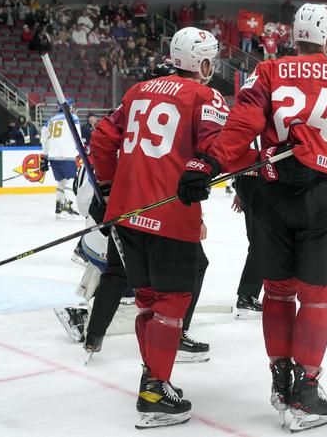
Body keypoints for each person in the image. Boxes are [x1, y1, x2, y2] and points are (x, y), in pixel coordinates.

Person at [175, 3, 327, 432]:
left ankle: (280, 378)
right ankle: (306, 391)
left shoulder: (268, 71)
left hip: (272, 192)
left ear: (295, 37)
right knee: (315, 297)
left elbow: (241, 124)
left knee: (276, 293)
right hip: (323, 195)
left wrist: (207, 163)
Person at [89, 27, 227, 429]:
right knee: (171, 303)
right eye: (210, 60)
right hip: (170, 213)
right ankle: (154, 389)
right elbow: (217, 146)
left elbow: (102, 137)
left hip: (127, 214)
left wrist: (110, 185)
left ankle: (152, 372)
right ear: (201, 63)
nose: (212, 67)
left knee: (148, 300)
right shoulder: (206, 96)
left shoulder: (137, 91)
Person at [231, 150, 263, 318]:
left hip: (248, 181)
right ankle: (247, 295)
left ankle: (248, 294)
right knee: (262, 242)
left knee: (260, 242)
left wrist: (239, 188)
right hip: (257, 183)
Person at [40, 98, 82, 218]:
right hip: (67, 154)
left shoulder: (50, 120)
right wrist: (81, 150)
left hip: (53, 155)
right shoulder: (72, 117)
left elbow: (44, 140)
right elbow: (77, 134)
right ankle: (70, 204)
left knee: (61, 181)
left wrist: (45, 157)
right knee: (71, 179)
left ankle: (59, 205)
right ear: (69, 106)